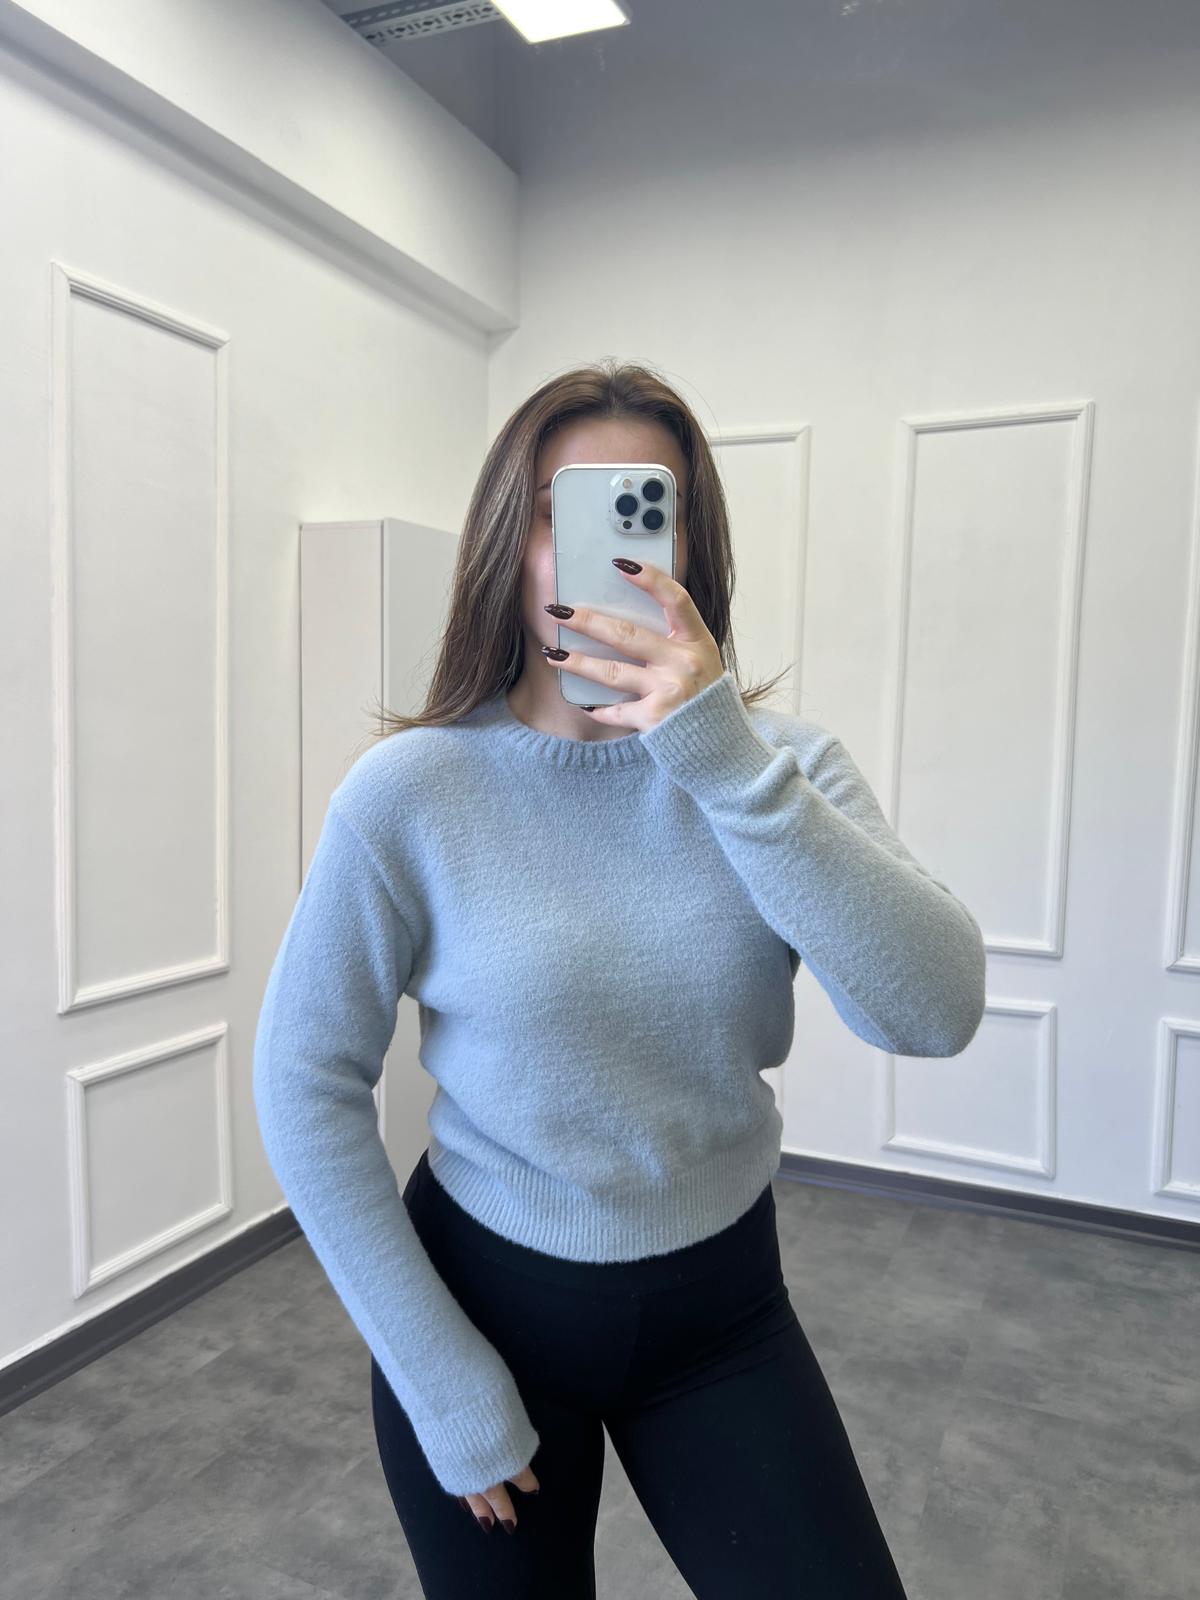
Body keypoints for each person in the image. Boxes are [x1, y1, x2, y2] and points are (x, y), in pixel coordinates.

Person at [252, 360, 986, 1598]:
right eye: (558, 510)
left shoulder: (778, 768)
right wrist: (438, 1377)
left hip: (724, 1317)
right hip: (484, 1311)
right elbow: (302, 1081)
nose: (602, 549)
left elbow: (935, 1009)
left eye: (646, 510)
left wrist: (718, 756)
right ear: (507, 544)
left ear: (693, 550)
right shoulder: (413, 791)